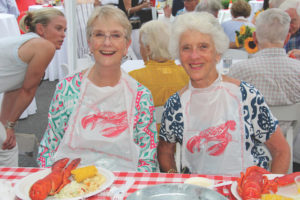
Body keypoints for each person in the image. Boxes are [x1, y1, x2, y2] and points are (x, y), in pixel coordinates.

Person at [157, 12, 290, 175]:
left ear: (218, 53)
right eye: (186, 48)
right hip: (198, 190)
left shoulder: (246, 96)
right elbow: (165, 151)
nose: (194, 55)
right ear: (179, 55)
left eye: (203, 46)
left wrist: (269, 190)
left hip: (245, 190)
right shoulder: (175, 104)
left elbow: (281, 150)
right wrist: (176, 180)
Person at [37, 5, 158, 172]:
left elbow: (147, 160)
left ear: (126, 44)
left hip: (122, 186)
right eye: (99, 34)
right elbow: (48, 150)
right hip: (70, 184)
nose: (107, 42)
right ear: (89, 42)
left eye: (115, 35)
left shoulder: (141, 96)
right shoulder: (66, 89)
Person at [228, 8, 300, 172]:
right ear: (287, 38)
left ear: (254, 38)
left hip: (246, 153)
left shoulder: (239, 71)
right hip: (289, 146)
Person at [0, 7, 66, 167]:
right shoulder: (44, 46)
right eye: (58, 28)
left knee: (5, 144)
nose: (63, 35)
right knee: (7, 150)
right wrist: (9, 127)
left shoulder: (28, 41)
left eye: (65, 30)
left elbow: (13, 90)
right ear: (41, 28)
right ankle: (7, 189)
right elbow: (27, 91)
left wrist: (6, 126)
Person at [129, 20, 189, 129]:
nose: (139, 49)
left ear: (147, 49)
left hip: (148, 140)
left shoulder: (133, 79)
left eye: (140, 45)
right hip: (182, 139)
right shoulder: (189, 75)